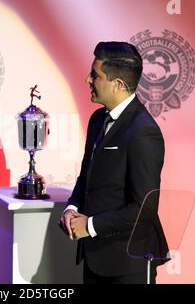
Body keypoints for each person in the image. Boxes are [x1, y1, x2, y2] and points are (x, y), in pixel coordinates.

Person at [59, 42, 168, 284]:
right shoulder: (98, 119)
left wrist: (91, 225)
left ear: (118, 84)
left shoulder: (143, 132)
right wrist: (72, 208)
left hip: (128, 264)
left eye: (95, 75)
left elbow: (144, 208)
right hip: (94, 258)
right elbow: (86, 178)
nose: (88, 79)